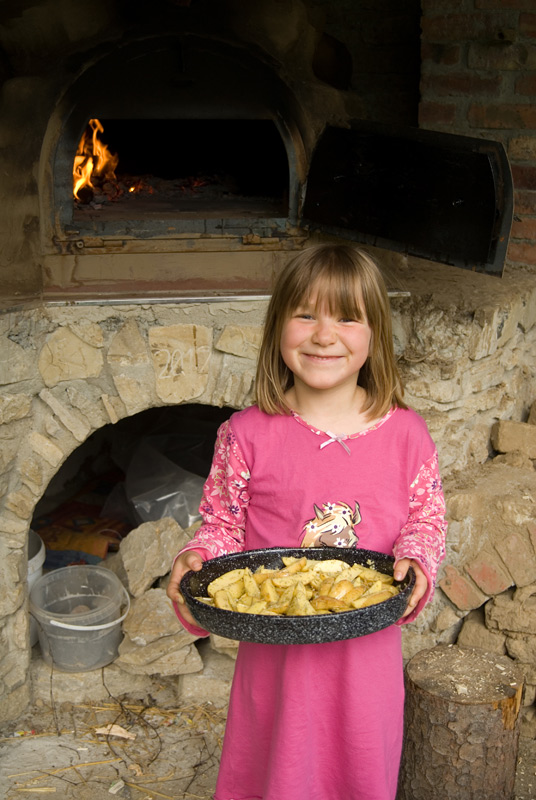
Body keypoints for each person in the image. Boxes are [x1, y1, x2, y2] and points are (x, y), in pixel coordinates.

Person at [167, 243, 447, 800]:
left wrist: (416, 558)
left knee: (358, 770)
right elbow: (223, 525)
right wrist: (197, 557)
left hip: (365, 661)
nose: (324, 335)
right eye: (305, 314)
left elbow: (427, 519)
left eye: (347, 316)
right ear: (277, 328)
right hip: (276, 666)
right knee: (276, 771)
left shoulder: (406, 434)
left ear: (375, 336)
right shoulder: (245, 434)